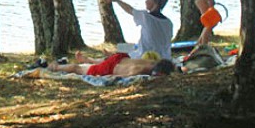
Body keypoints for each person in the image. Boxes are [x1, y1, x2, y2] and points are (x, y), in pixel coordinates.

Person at [108, 0, 173, 60]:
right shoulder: (168, 22)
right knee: (122, 47)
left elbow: (129, 9)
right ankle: (113, 53)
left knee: (121, 51)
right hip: (165, 57)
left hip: (146, 56)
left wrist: (116, 0)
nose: (145, 1)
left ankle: (109, 58)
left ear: (154, 2)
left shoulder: (146, 16)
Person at [46, 51, 175, 77]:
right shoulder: (139, 70)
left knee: (99, 64)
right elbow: (115, 76)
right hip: (112, 66)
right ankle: (55, 67)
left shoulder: (152, 61)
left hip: (119, 58)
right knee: (77, 68)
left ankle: (88, 60)